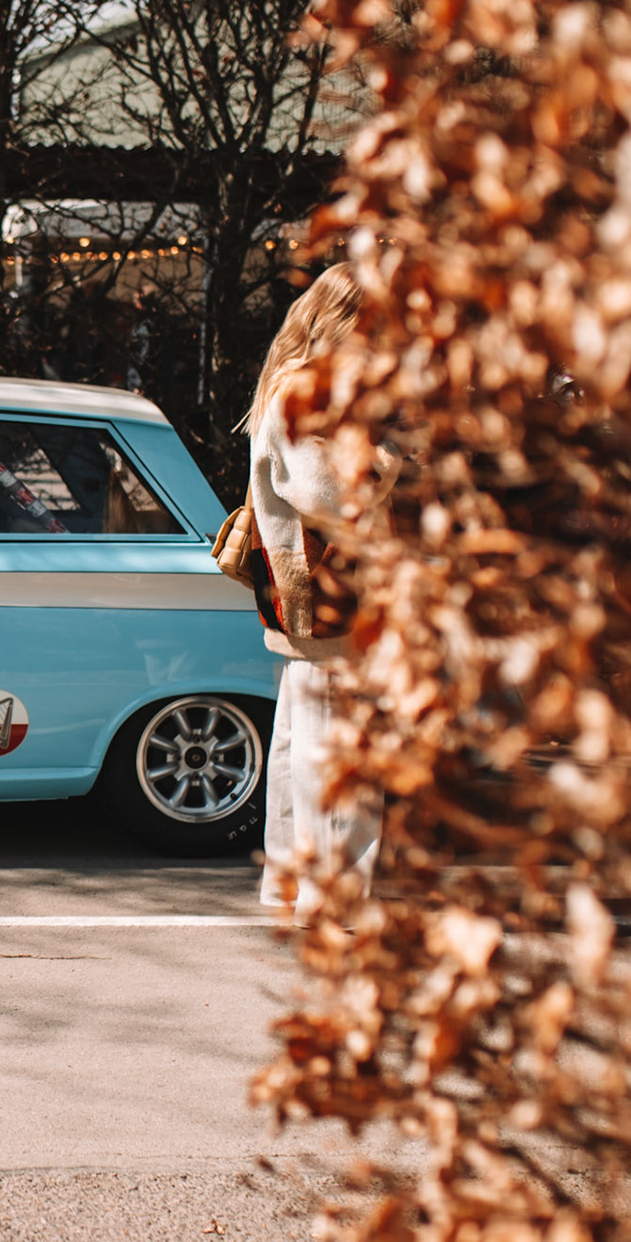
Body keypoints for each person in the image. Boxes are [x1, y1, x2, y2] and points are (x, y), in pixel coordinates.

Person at [246, 263, 386, 923]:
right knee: (338, 752)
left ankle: (291, 886)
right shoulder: (308, 393)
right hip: (334, 593)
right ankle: (335, 900)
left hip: (305, 589)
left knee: (299, 746)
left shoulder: (291, 385)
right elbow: (327, 497)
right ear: (344, 321)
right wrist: (388, 462)